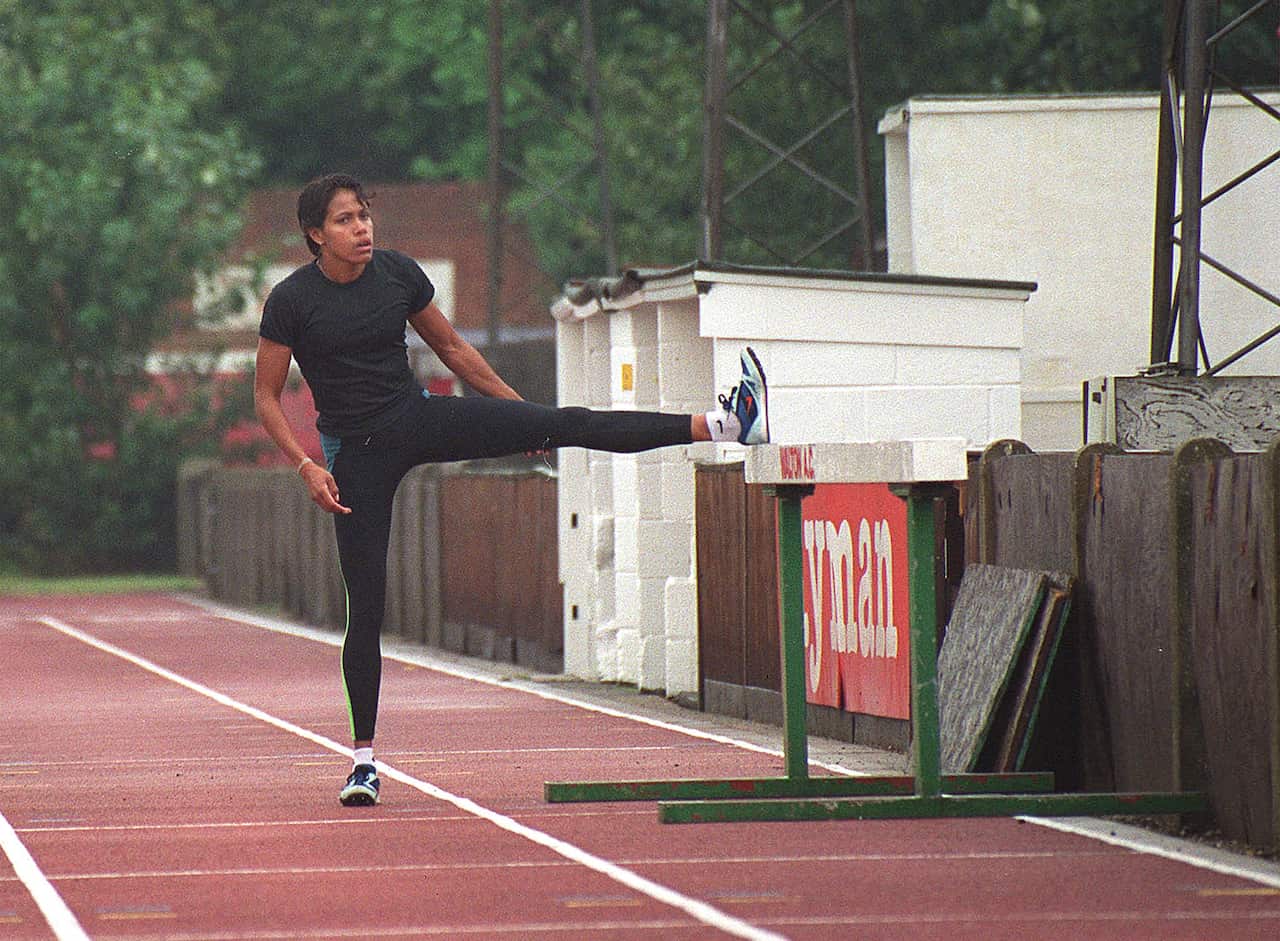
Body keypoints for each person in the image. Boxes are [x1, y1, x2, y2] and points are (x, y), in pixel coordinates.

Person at [254, 173, 769, 806]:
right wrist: (305, 464)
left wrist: (517, 415)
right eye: (344, 221)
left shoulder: (396, 274)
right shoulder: (291, 301)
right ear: (315, 235)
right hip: (354, 455)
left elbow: (450, 347)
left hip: (418, 419)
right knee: (366, 606)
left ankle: (725, 423)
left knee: (565, 422)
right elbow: (266, 396)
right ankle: (363, 763)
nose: (361, 229)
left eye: (364, 216)